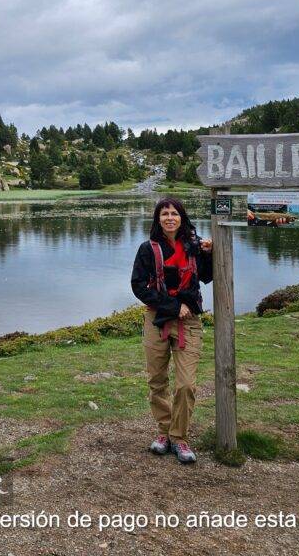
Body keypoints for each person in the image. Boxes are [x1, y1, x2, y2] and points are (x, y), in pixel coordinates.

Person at [130, 196, 213, 464]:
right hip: (157, 319)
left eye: (174, 213)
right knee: (157, 381)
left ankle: (180, 437)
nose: (169, 217)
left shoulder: (194, 247)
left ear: (182, 217)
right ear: (157, 219)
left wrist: (209, 254)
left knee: (186, 384)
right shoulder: (147, 249)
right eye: (164, 213)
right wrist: (173, 305)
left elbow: (207, 277)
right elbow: (139, 286)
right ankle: (164, 432)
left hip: (188, 323)